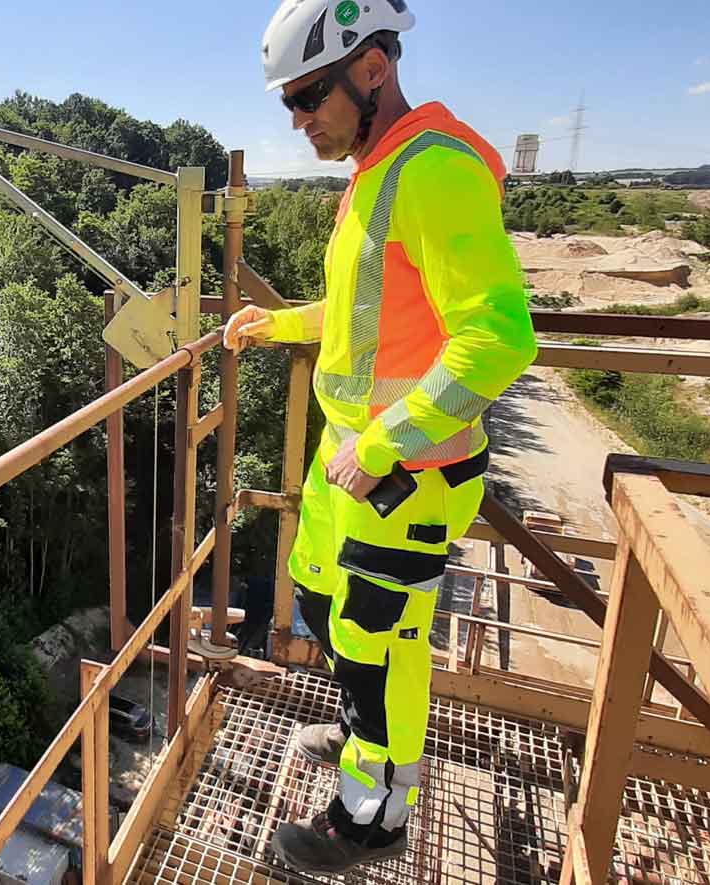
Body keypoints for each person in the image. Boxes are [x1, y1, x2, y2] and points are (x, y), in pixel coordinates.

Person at [226, 0, 537, 872]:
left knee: (376, 647)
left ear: (372, 69)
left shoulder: (434, 172)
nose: (296, 119)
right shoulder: (378, 171)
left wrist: (388, 440)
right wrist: (280, 325)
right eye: (287, 101)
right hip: (353, 459)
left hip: (405, 472)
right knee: (322, 603)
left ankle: (372, 816)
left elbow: (500, 338)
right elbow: (372, 319)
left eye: (308, 95)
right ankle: (372, 741)